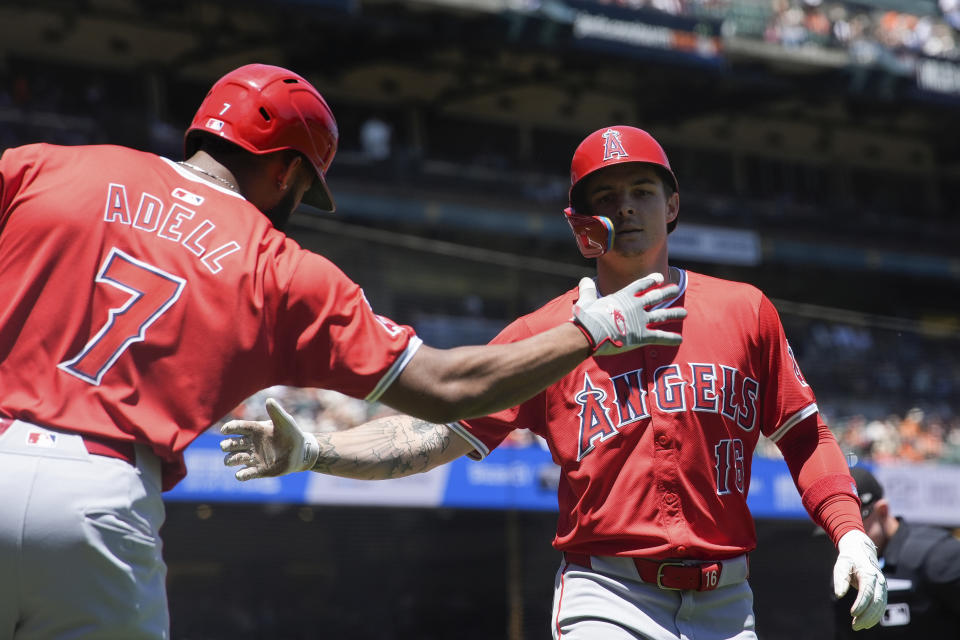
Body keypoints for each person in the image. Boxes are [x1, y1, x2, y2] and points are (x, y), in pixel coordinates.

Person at [0, 67, 688, 640]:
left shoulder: (46, 167)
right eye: (306, 187)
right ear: (288, 171)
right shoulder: (281, 268)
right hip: (102, 503)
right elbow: (448, 386)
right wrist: (593, 330)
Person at [221, 125, 888, 639]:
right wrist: (316, 451)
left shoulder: (747, 311)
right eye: (605, 197)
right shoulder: (545, 336)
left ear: (674, 205)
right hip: (609, 597)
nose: (625, 209)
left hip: (727, 601)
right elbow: (432, 434)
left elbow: (804, 434)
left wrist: (849, 531)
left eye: (642, 192)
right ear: (581, 223)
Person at [832, 466, 960, 638]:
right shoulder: (846, 573)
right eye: (834, 532)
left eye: (854, 526)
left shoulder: (938, 555)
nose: (844, 539)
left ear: (882, 511)